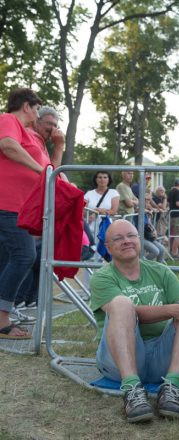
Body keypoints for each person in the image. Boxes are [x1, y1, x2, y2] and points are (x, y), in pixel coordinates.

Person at [90, 219, 179, 421]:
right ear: (108, 247)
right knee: (122, 304)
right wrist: (174, 309)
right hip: (117, 361)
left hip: (160, 359)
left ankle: (172, 387)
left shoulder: (160, 270)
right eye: (118, 238)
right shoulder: (102, 277)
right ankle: (131, 389)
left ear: (139, 240)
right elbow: (135, 313)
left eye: (131, 236)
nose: (126, 241)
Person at [0, 88, 49, 339]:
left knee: (11, 259)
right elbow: (7, 146)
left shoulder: (27, 132)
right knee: (24, 256)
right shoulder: (8, 120)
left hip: (18, 207)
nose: (37, 113)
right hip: (7, 205)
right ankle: (1, 319)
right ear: (27, 106)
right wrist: (41, 170)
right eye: (37, 108)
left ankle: (3, 315)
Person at [15, 106, 66, 311]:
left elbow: (52, 172)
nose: (53, 129)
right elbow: (49, 173)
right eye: (49, 124)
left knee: (34, 257)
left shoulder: (42, 145)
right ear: (37, 121)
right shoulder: (28, 136)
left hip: (31, 209)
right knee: (24, 256)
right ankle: (12, 304)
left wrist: (59, 146)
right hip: (17, 206)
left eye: (56, 125)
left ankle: (25, 300)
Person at [84, 171, 120, 236]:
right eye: (100, 177)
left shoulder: (114, 193)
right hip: (90, 229)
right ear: (96, 179)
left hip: (106, 229)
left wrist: (98, 211)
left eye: (105, 177)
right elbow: (82, 210)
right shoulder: (89, 194)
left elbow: (114, 211)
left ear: (109, 180)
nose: (102, 180)